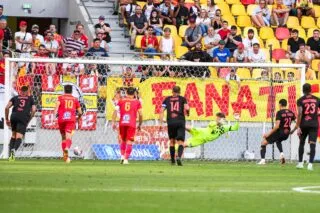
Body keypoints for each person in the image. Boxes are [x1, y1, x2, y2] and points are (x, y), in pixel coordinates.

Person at [291, 83, 320, 171]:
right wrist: (317, 114)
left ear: (303, 90)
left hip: (304, 124)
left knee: (301, 143)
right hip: (314, 124)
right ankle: (310, 164)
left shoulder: (300, 100)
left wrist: (296, 127)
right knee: (312, 144)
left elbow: (300, 114)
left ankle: (300, 163)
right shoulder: (317, 99)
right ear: (311, 90)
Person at [258, 99, 296, 165]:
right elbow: (296, 121)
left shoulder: (279, 112)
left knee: (263, 143)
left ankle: (262, 160)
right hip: (286, 133)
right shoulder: (291, 112)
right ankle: (282, 154)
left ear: (280, 104)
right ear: (286, 104)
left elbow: (277, 126)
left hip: (280, 132)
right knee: (278, 141)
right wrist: (294, 130)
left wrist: (268, 134)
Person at [159, 86, 189, 166]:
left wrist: (161, 123)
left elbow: (161, 110)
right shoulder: (183, 99)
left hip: (171, 122)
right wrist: (188, 113)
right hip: (180, 121)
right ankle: (178, 157)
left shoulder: (167, 99)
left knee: (172, 141)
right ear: (179, 92)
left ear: (172, 91)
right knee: (180, 142)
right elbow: (187, 108)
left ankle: (172, 160)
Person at [112, 87, 143, 165]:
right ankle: (126, 159)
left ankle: (122, 156)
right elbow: (141, 114)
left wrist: (113, 122)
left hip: (122, 123)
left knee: (123, 140)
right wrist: (140, 124)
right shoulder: (137, 102)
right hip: (131, 124)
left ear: (126, 93)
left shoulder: (121, 101)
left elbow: (115, 111)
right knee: (129, 141)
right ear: (134, 94)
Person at [5, 86, 36, 161]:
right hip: (23, 117)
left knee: (13, 135)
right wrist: (29, 119)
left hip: (14, 117)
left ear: (20, 91)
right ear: (27, 91)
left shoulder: (15, 98)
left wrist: (6, 119)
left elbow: (7, 107)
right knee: (19, 137)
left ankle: (10, 155)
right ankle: (13, 150)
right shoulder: (30, 99)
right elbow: (34, 110)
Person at [53, 85, 83, 163]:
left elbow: (56, 108)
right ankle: (67, 148)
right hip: (70, 120)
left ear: (64, 90)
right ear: (72, 91)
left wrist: (54, 117)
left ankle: (66, 157)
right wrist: (78, 117)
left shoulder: (60, 98)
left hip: (61, 120)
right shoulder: (75, 99)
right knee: (68, 138)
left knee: (63, 138)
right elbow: (80, 112)